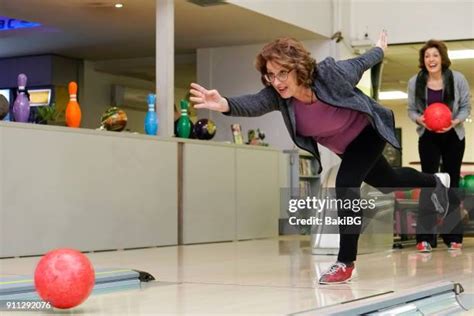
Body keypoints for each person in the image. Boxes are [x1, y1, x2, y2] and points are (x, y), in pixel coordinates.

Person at [190, 31, 450, 284]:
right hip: (345, 147)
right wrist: (223, 103)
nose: (278, 81)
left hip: (368, 133)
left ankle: (345, 262)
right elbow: (254, 103)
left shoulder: (329, 74)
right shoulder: (280, 97)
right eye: (271, 75)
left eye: (283, 72)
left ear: (298, 67)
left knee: (345, 182)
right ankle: (436, 181)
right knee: (387, 181)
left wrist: (379, 50)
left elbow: (360, 63)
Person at [407, 40, 471, 253]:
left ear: (442, 58)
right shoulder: (415, 81)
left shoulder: (458, 79)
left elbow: (465, 107)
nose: (431, 60)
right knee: (429, 183)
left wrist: (455, 121)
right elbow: (412, 110)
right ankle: (425, 238)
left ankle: (453, 237)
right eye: (427, 56)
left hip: (453, 135)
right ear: (423, 61)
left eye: (435, 55)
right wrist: (420, 121)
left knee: (451, 183)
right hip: (428, 136)